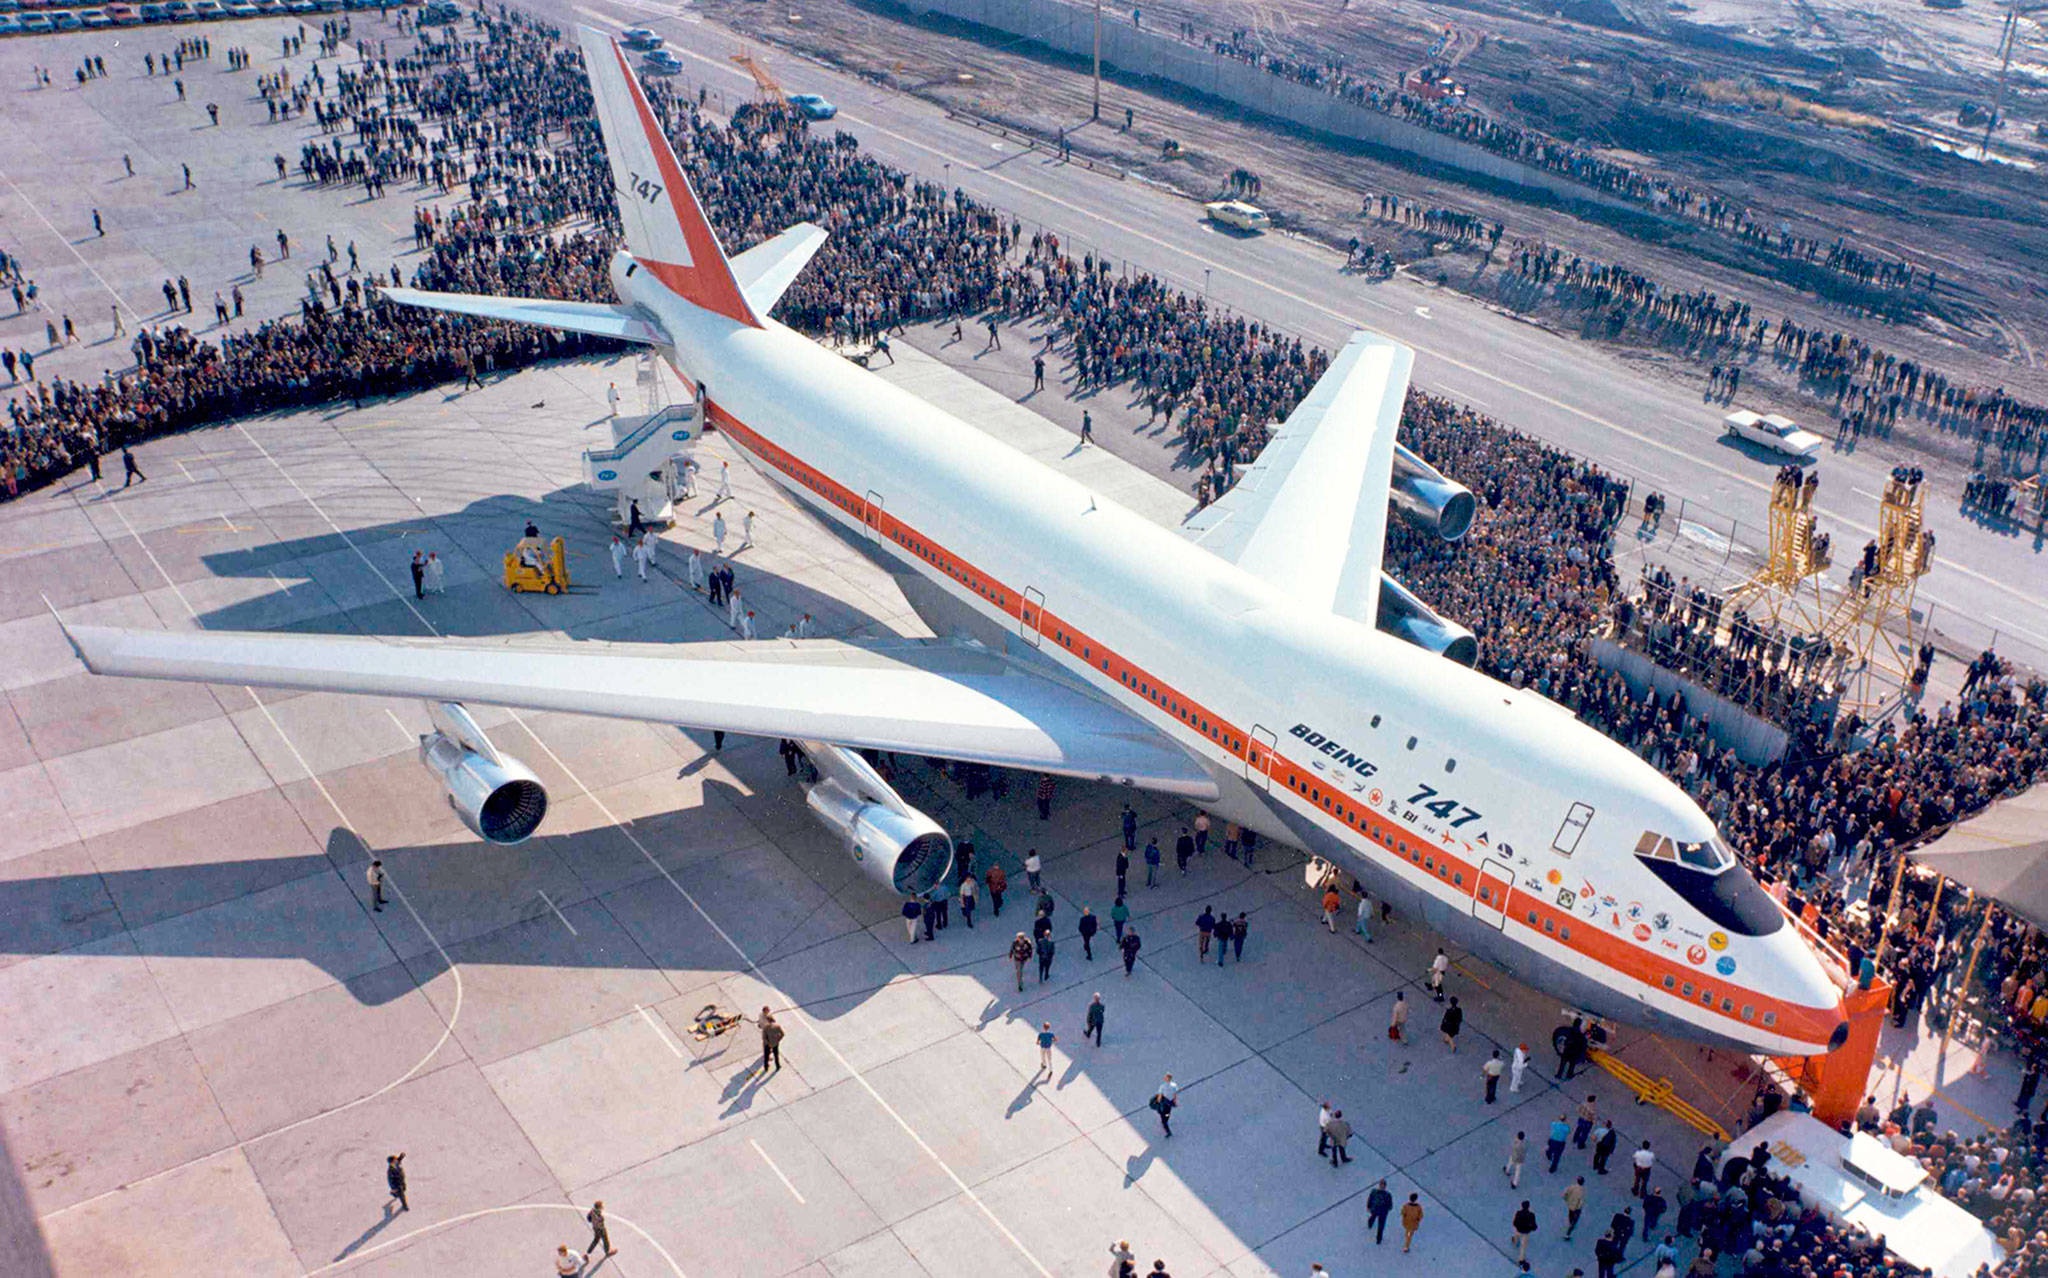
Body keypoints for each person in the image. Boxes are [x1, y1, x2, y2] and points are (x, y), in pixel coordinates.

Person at [1365, 1179, 1394, 1245]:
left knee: (1373, 1218)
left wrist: (1369, 1207)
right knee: (1380, 1226)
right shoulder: (1388, 1195)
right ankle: (1378, 1239)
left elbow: (1370, 1199)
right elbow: (1390, 1206)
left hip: (1375, 1210)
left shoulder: (1374, 1192)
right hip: (1382, 1212)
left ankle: (1370, 1225)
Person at [757, 1007, 784, 1072]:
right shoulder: (777, 1026)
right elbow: (782, 1034)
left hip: (768, 1043)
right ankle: (777, 1066)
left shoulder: (765, 1027)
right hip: (775, 1043)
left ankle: (766, 1067)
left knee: (766, 1055)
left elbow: (764, 1037)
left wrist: (768, 1044)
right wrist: (778, 1040)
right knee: (776, 1055)